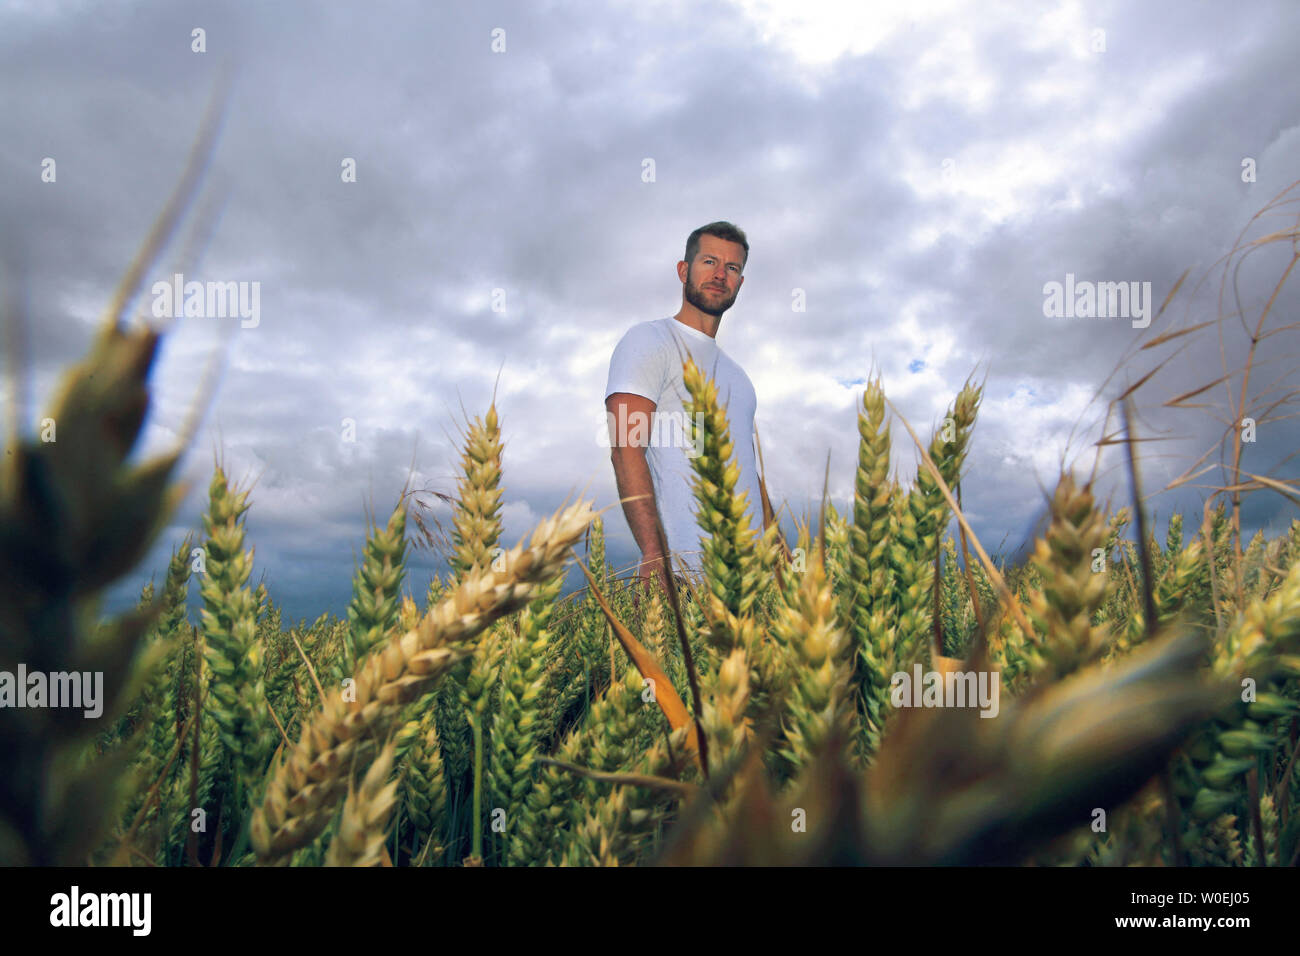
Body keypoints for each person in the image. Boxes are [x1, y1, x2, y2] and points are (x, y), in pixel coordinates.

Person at [604, 221, 766, 603]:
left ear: (740, 283)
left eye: (732, 268)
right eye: (709, 261)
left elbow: (748, 471)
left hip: (753, 582)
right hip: (686, 580)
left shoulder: (740, 379)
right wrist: (653, 550)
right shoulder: (649, 340)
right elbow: (626, 447)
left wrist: (777, 551)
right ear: (683, 270)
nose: (719, 275)